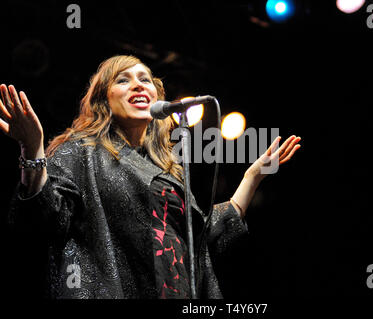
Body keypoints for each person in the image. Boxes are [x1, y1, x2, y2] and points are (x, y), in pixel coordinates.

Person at [0, 55, 301, 299]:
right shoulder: (81, 151)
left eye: (145, 79)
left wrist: (252, 176)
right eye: (123, 80)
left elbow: (199, 239)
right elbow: (41, 219)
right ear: (104, 100)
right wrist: (33, 149)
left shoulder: (168, 171)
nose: (138, 86)